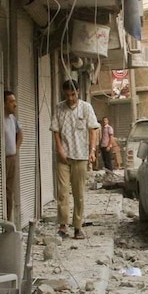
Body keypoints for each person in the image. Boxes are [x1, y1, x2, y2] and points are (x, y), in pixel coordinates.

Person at [52, 79, 98, 240]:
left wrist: (92, 151)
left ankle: (78, 227)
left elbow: (93, 130)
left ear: (78, 91)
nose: (70, 98)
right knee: (62, 192)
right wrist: (59, 150)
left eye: (73, 94)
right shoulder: (59, 108)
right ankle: (63, 226)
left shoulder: (86, 108)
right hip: (64, 158)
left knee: (79, 193)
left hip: (81, 156)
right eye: (67, 94)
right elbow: (56, 131)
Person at [4, 90, 23, 221]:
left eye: (15, 101)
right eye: (11, 101)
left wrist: (16, 149)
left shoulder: (13, 119)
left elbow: (20, 134)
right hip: (1, 159)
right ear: (3, 103)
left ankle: (8, 219)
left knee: (9, 191)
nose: (15, 104)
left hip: (11, 158)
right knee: (2, 191)